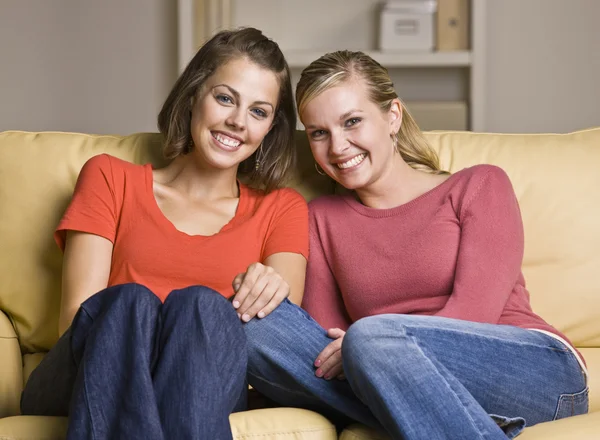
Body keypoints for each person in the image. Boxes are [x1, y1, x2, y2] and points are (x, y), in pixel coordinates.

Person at [243, 50, 588, 439]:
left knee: (370, 339)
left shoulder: (479, 185)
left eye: (352, 122)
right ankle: (468, 424)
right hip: (384, 367)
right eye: (319, 133)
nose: (338, 147)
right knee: (253, 327)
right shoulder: (322, 216)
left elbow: (474, 311)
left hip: (530, 368)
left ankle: (418, 400)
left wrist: (374, 345)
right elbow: (323, 345)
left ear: (392, 116)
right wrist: (373, 353)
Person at [20, 27, 308, 440]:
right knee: (127, 303)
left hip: (207, 385)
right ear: (194, 95)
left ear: (269, 129)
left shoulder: (282, 209)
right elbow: (77, 321)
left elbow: (271, 340)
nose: (237, 122)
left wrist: (263, 290)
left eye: (258, 112)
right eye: (225, 98)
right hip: (89, 369)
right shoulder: (109, 177)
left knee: (201, 308)